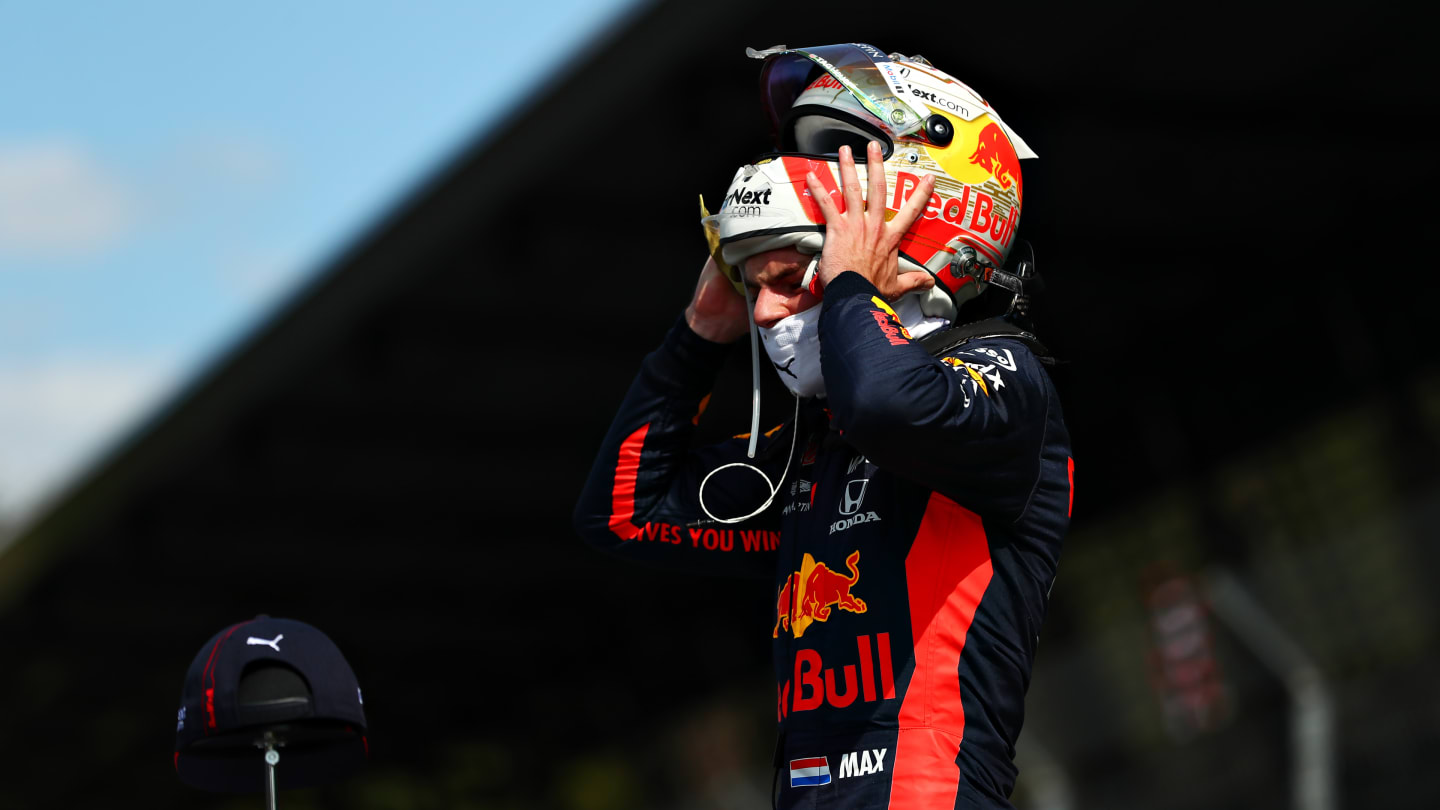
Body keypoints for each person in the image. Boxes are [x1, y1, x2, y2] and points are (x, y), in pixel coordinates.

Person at [574, 44, 1073, 809]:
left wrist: (846, 284)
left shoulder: (1006, 375)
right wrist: (698, 335)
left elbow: (887, 404)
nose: (765, 310)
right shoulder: (816, 445)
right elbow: (622, 515)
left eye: (788, 276)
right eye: (753, 285)